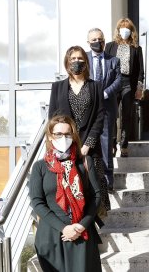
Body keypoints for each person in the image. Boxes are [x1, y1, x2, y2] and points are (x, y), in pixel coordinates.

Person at [29, 115, 102, 272]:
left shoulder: (85, 162)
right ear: (50, 136)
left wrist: (81, 227)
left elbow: (96, 196)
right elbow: (37, 202)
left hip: (81, 233)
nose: (64, 138)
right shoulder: (40, 167)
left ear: (73, 135)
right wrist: (64, 228)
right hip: (51, 235)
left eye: (68, 134)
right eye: (58, 134)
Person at [48, 45, 111, 214]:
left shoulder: (95, 86)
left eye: (80, 58)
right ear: (67, 62)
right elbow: (52, 119)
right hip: (65, 147)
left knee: (92, 189)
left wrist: (87, 145)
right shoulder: (58, 87)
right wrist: (59, 143)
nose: (77, 61)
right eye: (73, 58)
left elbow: (99, 117)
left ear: (86, 62)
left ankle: (93, 225)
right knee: (69, 189)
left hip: (89, 148)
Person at [87, 27, 122, 192]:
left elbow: (118, 81)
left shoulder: (113, 60)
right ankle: (90, 179)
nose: (97, 42)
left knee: (107, 143)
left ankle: (108, 181)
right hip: (88, 108)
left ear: (104, 41)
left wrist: (105, 93)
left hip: (107, 107)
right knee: (88, 142)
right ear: (88, 42)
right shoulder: (84, 59)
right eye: (93, 40)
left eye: (100, 39)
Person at [105, 18, 144, 157]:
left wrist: (139, 88)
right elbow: (106, 66)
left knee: (126, 115)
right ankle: (112, 143)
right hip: (113, 83)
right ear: (118, 30)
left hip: (128, 83)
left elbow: (140, 71)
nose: (125, 30)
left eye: (127, 28)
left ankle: (124, 144)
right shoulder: (110, 46)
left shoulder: (136, 48)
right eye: (122, 27)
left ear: (132, 31)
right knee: (112, 114)